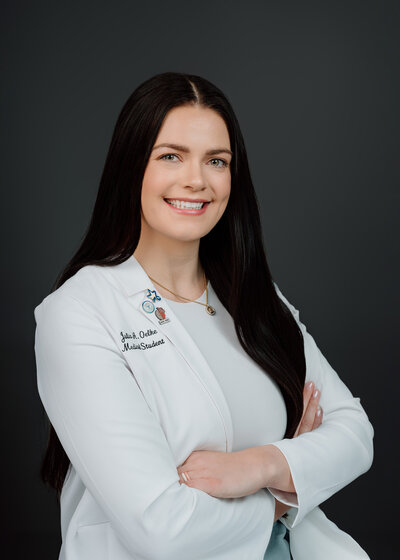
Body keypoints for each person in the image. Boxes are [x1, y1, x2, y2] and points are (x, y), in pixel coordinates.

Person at [33, 72, 374, 560]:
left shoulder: (254, 298)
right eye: (171, 156)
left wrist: (260, 465)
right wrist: (286, 491)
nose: (197, 180)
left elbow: (354, 432)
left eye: (217, 161)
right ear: (132, 166)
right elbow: (163, 530)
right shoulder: (78, 314)